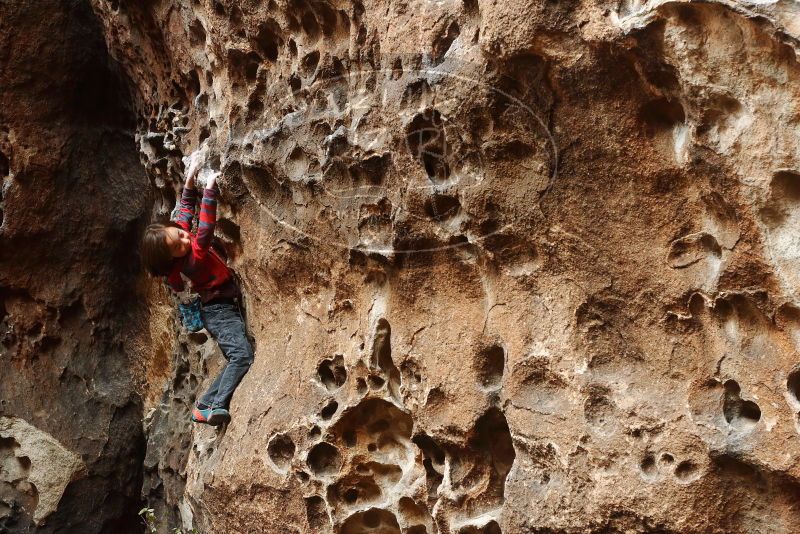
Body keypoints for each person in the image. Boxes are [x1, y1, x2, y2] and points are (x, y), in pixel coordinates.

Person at [140, 159, 253, 426]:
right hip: (220, 311)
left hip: (216, 310)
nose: (184, 239)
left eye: (177, 235)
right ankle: (216, 407)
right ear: (172, 259)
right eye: (177, 246)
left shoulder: (179, 239)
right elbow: (204, 228)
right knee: (242, 356)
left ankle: (202, 405)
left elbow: (185, 212)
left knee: (235, 357)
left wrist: (190, 179)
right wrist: (211, 188)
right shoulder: (193, 258)